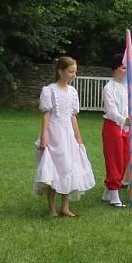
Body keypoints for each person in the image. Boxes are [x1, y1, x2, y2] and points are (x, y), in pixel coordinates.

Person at [34, 57, 95, 217]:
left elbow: (73, 116)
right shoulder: (49, 90)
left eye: (75, 71)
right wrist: (44, 136)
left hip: (68, 134)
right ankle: (52, 207)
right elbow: (46, 115)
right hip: (54, 134)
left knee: (69, 166)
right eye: (71, 71)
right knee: (55, 167)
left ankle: (65, 206)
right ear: (61, 71)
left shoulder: (73, 92)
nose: (74, 74)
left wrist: (78, 136)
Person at [101, 54, 131, 208]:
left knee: (124, 158)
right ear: (116, 69)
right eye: (123, 67)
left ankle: (108, 190)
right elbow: (111, 110)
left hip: (125, 127)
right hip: (112, 126)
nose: (125, 70)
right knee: (115, 159)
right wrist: (123, 120)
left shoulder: (127, 87)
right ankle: (114, 192)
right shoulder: (109, 87)